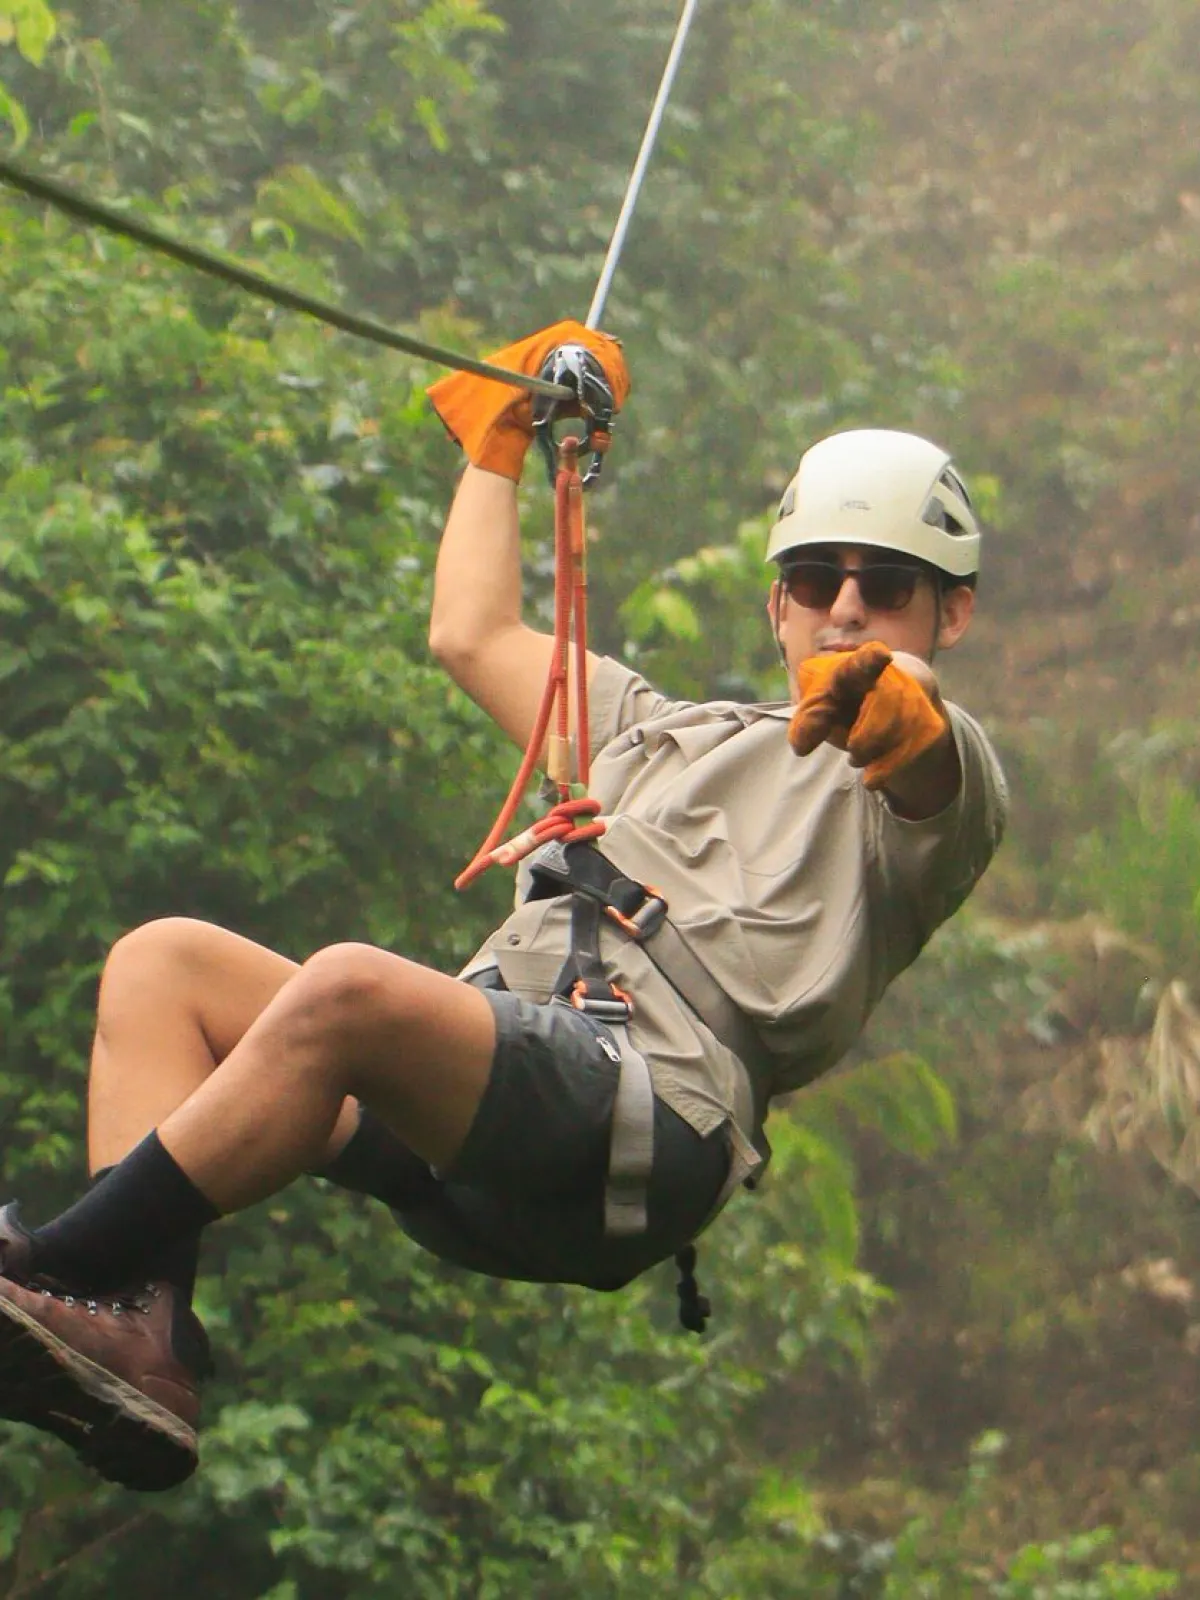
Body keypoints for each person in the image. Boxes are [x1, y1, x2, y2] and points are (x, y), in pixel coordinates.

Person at [0, 320, 1006, 1493]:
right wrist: (503, 434)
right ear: (777, 606)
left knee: (348, 991)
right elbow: (470, 633)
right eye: (815, 582)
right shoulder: (657, 733)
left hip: (643, 1114)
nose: (844, 609)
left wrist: (901, 703)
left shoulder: (929, 807)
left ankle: (51, 1268)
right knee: (162, 965)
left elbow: (923, 746)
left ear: (951, 612)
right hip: (495, 1109)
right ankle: (131, 1331)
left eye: (885, 588)